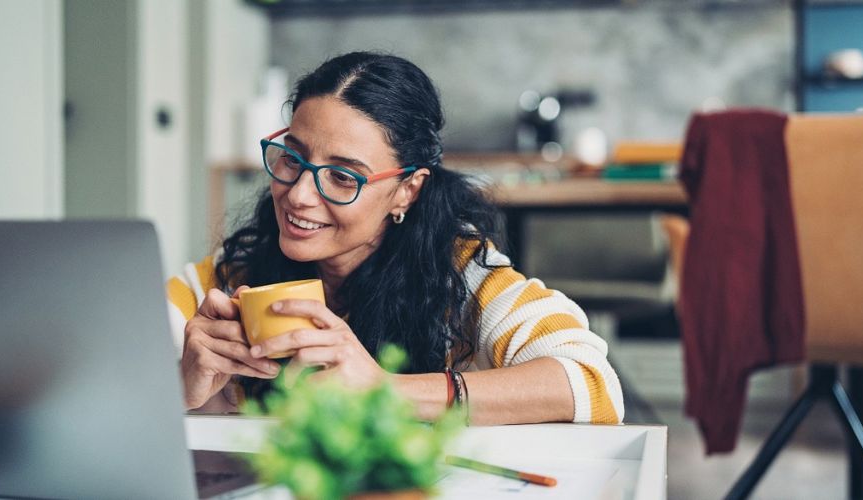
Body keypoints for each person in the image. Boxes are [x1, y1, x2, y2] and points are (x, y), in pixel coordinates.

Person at [167, 51, 623, 425]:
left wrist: (386, 388)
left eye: (343, 177)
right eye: (293, 159)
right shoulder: (232, 276)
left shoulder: (462, 278)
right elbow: (108, 381)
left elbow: (591, 382)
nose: (299, 195)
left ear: (407, 190)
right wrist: (180, 388)